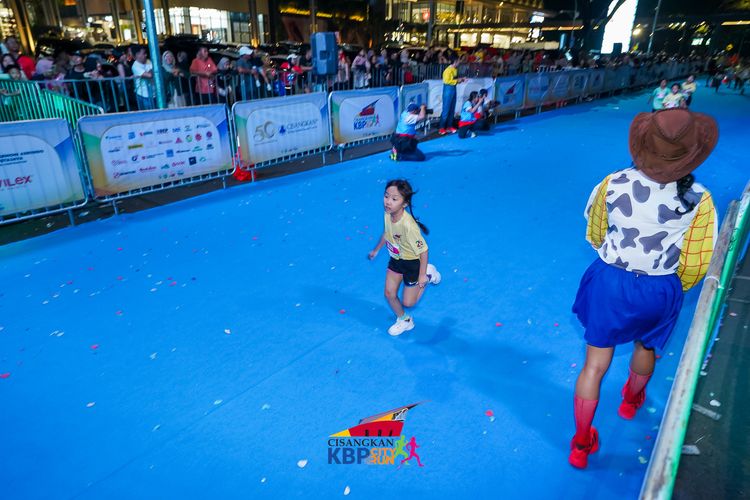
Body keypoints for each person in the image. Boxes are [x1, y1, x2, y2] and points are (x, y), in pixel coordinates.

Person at [568, 108, 719, 469]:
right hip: (658, 288)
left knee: (594, 365)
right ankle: (630, 401)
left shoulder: (613, 182)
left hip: (610, 282)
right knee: (646, 346)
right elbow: (697, 261)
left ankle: (581, 444)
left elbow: (595, 231)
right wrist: (671, 287)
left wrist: (616, 258)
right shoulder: (700, 199)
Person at [368, 180, 442, 337]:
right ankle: (405, 320)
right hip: (396, 260)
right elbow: (387, 233)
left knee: (409, 303)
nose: (388, 202)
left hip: (411, 264)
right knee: (389, 294)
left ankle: (429, 274)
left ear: (405, 203)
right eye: (386, 196)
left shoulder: (408, 226)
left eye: (394, 199)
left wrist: (422, 275)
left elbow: (423, 251)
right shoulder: (388, 214)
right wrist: (376, 250)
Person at [438, 58, 466, 135]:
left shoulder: (455, 69)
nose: (459, 63)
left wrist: (461, 80)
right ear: (455, 61)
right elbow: (446, 81)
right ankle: (441, 128)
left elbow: (455, 80)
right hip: (448, 89)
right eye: (458, 61)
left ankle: (449, 126)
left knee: (452, 109)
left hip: (453, 89)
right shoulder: (447, 70)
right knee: (446, 110)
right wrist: (458, 80)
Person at [131, 45, 154, 110]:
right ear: (137, 55)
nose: (146, 55)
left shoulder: (148, 61)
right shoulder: (135, 66)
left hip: (153, 94)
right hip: (143, 95)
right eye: (143, 53)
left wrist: (150, 71)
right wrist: (152, 70)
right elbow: (150, 75)